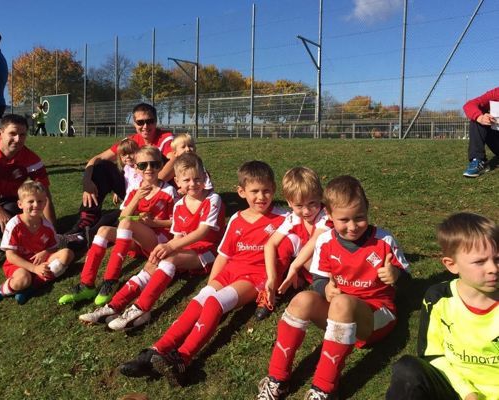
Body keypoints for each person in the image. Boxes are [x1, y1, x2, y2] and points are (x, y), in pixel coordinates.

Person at [118, 160, 296, 386]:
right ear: (241, 192)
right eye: (255, 192)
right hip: (229, 272)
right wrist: (210, 284)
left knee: (213, 303)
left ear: (274, 190)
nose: (261, 197)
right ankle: (154, 352)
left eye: (267, 191)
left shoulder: (284, 218)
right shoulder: (237, 220)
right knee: (199, 301)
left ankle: (183, 358)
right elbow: (223, 255)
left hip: (254, 278)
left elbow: (310, 230)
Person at [256, 175, 410, 400]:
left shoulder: (383, 240)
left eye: (359, 218)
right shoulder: (326, 240)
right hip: (340, 315)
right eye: (344, 220)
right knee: (302, 299)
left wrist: (396, 275)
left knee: (341, 302)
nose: (352, 226)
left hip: (376, 317)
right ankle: (277, 380)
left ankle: (323, 389)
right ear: (328, 215)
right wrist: (324, 289)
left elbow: (408, 279)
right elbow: (319, 279)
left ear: (367, 210)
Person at [79, 153, 225, 331]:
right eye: (187, 180)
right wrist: (165, 249)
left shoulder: (213, 199)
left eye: (197, 179)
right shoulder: (180, 205)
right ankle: (113, 306)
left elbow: (203, 233)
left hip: (209, 252)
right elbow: (178, 236)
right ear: (178, 181)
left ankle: (141, 308)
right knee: (151, 263)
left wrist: (169, 247)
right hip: (185, 249)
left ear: (205, 177)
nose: (193, 184)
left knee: (169, 259)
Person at [386, 212, 498, 400]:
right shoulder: (438, 298)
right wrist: (468, 393)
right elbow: (432, 354)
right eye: (480, 262)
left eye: (497, 259)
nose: (493, 268)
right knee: (407, 370)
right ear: (451, 265)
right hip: (455, 388)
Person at [58, 146, 177, 306]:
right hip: (136, 239)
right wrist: (137, 198)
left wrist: (154, 223)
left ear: (161, 166)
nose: (149, 169)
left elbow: (176, 222)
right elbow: (122, 216)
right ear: (136, 168)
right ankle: (87, 284)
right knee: (103, 230)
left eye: (154, 164)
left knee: (127, 223)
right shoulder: (135, 189)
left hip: (157, 241)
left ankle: (111, 280)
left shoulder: (169, 191)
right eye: (143, 165)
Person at [0, 114, 55, 288]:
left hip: (9, 201)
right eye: (12, 133)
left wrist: (53, 233)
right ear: (0, 133)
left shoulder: (32, 159)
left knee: (18, 211)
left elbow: (45, 197)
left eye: (22, 135)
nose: (18, 139)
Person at [66, 103, 175, 236]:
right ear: (134, 123)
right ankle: (88, 217)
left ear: (156, 121)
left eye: (150, 121)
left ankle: (88, 236)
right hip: (134, 189)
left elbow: (175, 161)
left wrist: (150, 187)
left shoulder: (165, 138)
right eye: (140, 122)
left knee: (155, 158)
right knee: (103, 166)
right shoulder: (131, 141)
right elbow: (98, 158)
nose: (145, 126)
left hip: (156, 190)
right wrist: (87, 181)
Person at [0, 182, 74, 308]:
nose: (36, 205)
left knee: (67, 254)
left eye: (40, 201)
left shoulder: (47, 226)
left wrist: (45, 252)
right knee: (23, 279)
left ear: (45, 203)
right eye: (31, 201)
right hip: (18, 264)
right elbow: (11, 256)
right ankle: (1, 291)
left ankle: (34, 286)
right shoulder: (14, 225)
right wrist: (34, 269)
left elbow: (54, 247)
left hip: (40, 261)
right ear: (20, 204)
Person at [259, 166, 332, 320]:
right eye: (299, 205)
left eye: (312, 203)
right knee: (287, 241)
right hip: (308, 266)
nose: (306, 211)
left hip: (328, 270)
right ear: (290, 203)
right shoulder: (293, 218)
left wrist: (294, 266)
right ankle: (272, 289)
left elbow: (315, 241)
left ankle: (305, 283)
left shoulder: (326, 215)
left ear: (320, 197)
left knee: (298, 243)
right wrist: (272, 277)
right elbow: (270, 244)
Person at [462, 87, 499, 177]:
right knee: (478, 118)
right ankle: (478, 160)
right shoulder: (496, 93)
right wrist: (480, 117)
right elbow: (469, 104)